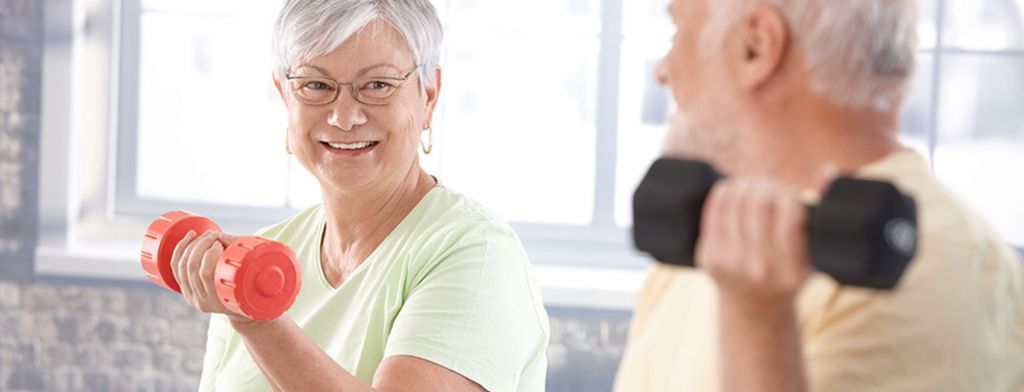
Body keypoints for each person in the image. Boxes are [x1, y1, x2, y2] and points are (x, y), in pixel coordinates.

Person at [614, 0, 1024, 391]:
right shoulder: (714, 239)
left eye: (678, 27)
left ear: (756, 47)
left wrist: (757, 320)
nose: (662, 71)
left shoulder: (936, 269)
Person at [170, 1, 549, 390]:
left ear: (428, 96)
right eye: (316, 85)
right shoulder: (259, 256)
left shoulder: (478, 252)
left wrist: (258, 321)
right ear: (286, 96)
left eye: (377, 85)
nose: (344, 116)